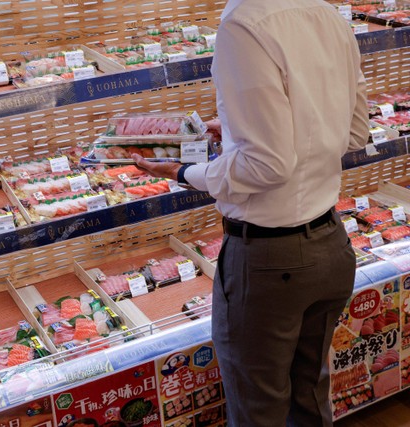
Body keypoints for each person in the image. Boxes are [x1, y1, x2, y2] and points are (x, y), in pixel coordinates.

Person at [133, 0, 369, 425]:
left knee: (257, 408)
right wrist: (241, 129)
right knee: (310, 397)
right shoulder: (327, 13)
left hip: (269, 264)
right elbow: (355, 132)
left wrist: (186, 171)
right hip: (332, 245)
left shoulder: (242, 24)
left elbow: (269, 165)